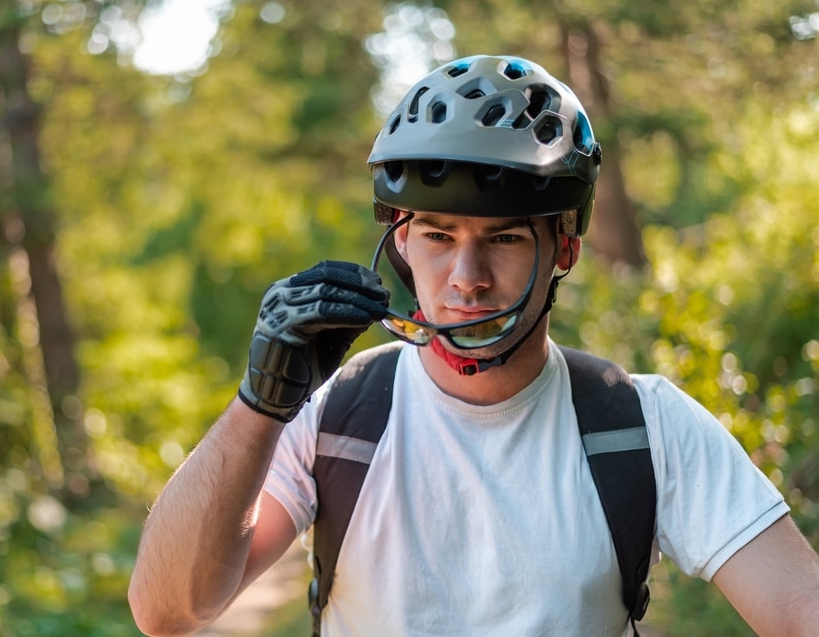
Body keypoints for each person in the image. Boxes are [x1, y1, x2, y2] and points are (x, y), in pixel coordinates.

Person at [127, 55, 819, 636]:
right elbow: (169, 611)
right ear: (400, 241)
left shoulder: (642, 425)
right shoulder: (337, 414)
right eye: (437, 235)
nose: (467, 279)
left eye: (504, 237)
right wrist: (261, 401)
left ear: (564, 248)